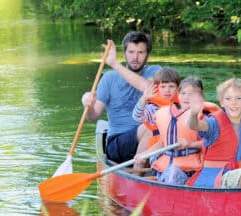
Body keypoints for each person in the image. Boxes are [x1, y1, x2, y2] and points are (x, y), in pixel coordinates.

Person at [81, 31, 161, 163]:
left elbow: (149, 88)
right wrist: (88, 106)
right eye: (131, 52)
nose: (135, 57)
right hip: (117, 143)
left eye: (140, 52)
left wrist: (115, 64)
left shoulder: (155, 72)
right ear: (124, 54)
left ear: (148, 55)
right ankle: (138, 170)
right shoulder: (109, 78)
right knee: (150, 127)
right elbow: (92, 116)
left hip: (151, 140)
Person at [136, 77, 216, 184]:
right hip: (166, 167)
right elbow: (162, 143)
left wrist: (190, 145)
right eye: (184, 93)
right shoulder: (167, 113)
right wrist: (145, 154)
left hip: (190, 170)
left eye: (192, 94)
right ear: (178, 94)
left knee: (173, 173)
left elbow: (212, 145)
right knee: (170, 171)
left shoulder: (206, 118)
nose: (187, 97)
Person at [132, 67, 180, 149]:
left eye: (171, 86)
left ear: (177, 88)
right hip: (157, 148)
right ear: (157, 88)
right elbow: (137, 117)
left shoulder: (182, 105)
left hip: (178, 143)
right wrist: (144, 99)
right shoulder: (152, 108)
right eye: (163, 87)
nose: (167, 90)